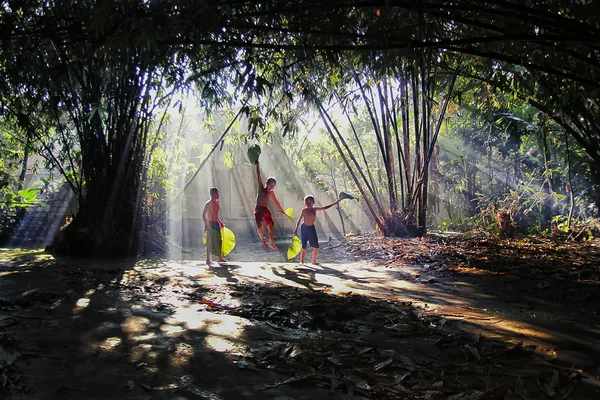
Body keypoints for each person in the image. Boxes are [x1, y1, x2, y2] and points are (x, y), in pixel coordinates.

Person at [294, 195, 340, 265]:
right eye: (307, 203)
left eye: (310, 203)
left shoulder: (315, 209)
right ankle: (302, 260)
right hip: (304, 228)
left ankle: (313, 260)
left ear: (314, 202)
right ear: (305, 203)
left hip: (311, 228)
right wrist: (296, 229)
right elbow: (299, 220)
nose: (309, 204)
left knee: (316, 246)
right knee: (304, 245)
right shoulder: (304, 210)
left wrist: (335, 203)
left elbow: (324, 208)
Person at [254, 161, 286, 251]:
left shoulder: (271, 193)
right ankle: (263, 239)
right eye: (271, 185)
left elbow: (276, 202)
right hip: (258, 209)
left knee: (270, 227)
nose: (272, 187)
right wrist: (257, 165)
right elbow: (258, 176)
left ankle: (272, 243)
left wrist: (282, 210)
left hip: (265, 210)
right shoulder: (261, 188)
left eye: (273, 186)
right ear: (267, 183)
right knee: (259, 225)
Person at [202, 187, 226, 265]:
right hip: (210, 223)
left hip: (215, 223)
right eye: (216, 194)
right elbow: (203, 215)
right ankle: (208, 259)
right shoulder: (208, 204)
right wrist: (206, 224)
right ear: (212, 194)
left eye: (218, 193)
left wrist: (220, 222)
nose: (218, 195)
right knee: (209, 242)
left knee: (219, 240)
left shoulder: (217, 202)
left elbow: (215, 215)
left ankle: (219, 258)